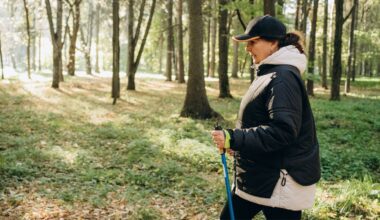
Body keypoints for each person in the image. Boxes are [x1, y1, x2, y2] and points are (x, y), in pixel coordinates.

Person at [211, 15, 321, 220]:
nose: (247, 48)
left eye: (253, 42)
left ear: (273, 43)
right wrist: (236, 144)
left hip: (279, 181)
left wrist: (235, 138)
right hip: (257, 175)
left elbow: (283, 131)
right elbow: (260, 123)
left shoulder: (283, 78)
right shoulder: (269, 73)